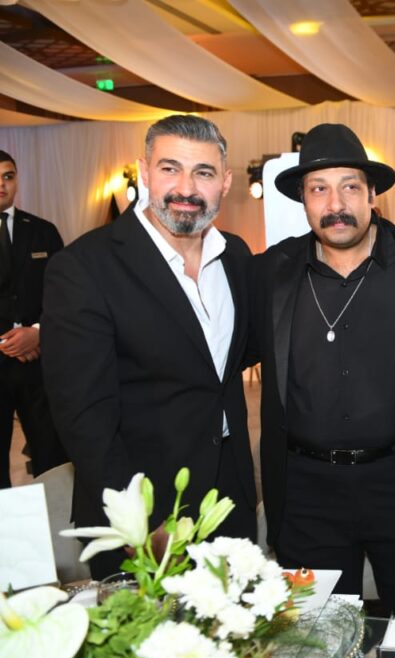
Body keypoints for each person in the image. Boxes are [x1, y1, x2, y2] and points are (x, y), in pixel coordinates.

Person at [252, 123, 395, 617]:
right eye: (319, 189)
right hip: (306, 496)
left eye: (349, 187)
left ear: (371, 195)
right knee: (313, 635)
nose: (335, 204)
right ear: (303, 200)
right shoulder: (270, 272)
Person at [42, 115, 256, 579]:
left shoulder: (236, 257)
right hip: (141, 515)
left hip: (229, 502)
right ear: (144, 171)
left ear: (225, 181)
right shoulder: (84, 267)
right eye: (169, 168)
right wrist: (142, 524)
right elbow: (84, 418)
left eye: (203, 172)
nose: (186, 188)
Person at [0, 150, 67, 487]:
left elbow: (64, 295)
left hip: (38, 365)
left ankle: (55, 520)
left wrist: (38, 332)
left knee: (51, 456)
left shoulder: (43, 231)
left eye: (8, 176)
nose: (1, 184)